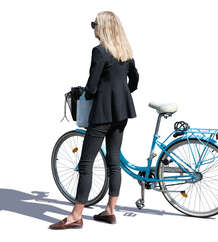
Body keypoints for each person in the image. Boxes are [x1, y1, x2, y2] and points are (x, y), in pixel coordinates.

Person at [49, 10, 139, 230]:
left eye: (94, 24)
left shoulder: (100, 51)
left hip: (102, 114)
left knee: (86, 163)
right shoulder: (125, 51)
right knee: (114, 161)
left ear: (103, 27)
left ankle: (75, 216)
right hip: (122, 113)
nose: (93, 28)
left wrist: (88, 95)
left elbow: (91, 86)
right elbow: (134, 81)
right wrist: (120, 94)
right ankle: (110, 210)